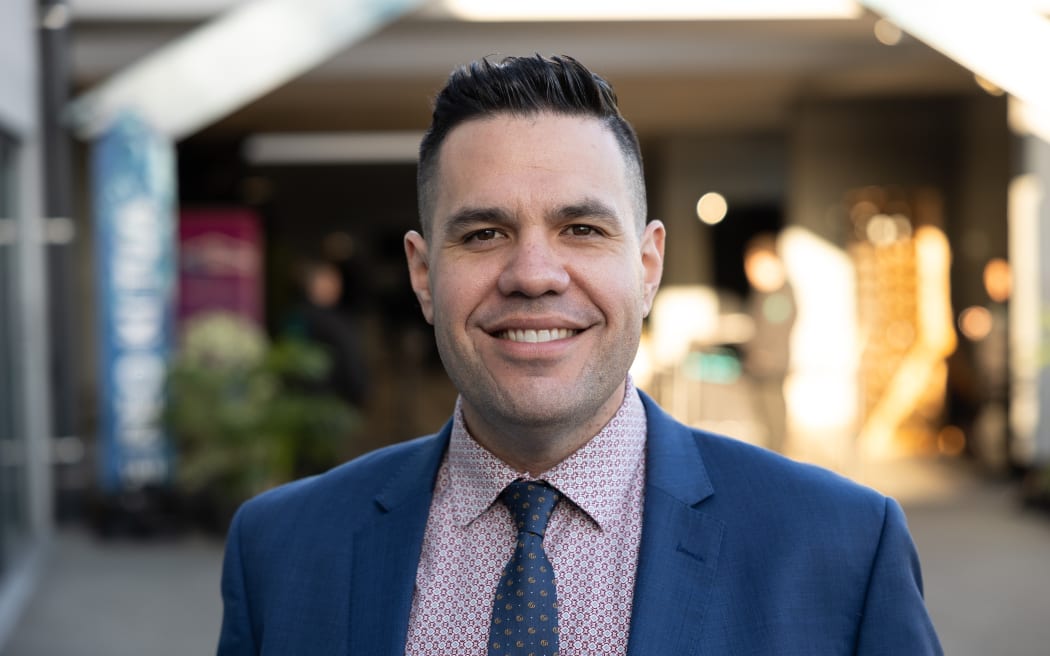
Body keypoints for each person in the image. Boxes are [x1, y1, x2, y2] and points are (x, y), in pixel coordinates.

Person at [217, 55, 942, 655]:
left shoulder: (841, 550)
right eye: (483, 234)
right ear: (422, 275)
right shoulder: (281, 552)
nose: (533, 273)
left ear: (649, 264)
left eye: (583, 229)